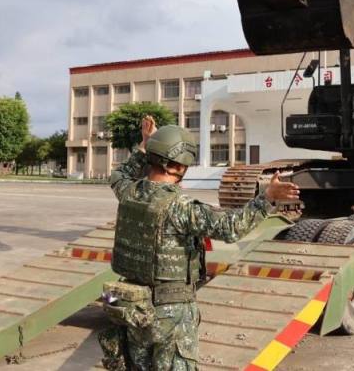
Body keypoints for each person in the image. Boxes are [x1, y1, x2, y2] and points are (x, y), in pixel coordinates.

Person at [98, 116, 299, 371]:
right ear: (181, 166)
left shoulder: (128, 192)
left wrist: (145, 144)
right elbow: (231, 227)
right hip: (169, 311)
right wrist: (266, 198)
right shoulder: (180, 208)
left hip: (129, 305)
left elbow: (119, 173)